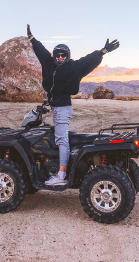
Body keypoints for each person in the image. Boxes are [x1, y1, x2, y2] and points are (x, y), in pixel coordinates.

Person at [27, 24, 120, 185]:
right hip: (55, 107)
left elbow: (88, 61)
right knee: (56, 138)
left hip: (63, 108)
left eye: (64, 55)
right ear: (54, 56)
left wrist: (103, 51)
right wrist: (32, 39)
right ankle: (53, 166)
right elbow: (41, 51)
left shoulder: (74, 68)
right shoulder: (48, 64)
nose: (61, 58)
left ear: (68, 56)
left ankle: (61, 176)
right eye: (58, 55)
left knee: (62, 140)